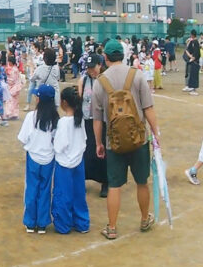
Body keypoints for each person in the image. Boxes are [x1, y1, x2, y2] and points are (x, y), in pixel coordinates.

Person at [92, 39, 161, 240]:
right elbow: (148, 108)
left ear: (105, 58)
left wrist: (99, 143)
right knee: (142, 181)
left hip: (114, 141)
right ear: (123, 55)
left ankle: (112, 227)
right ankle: (144, 219)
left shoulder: (100, 82)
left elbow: (97, 119)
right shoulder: (137, 75)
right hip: (139, 139)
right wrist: (156, 134)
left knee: (114, 185)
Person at [18, 85, 58, 234]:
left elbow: (23, 138)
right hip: (49, 158)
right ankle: (42, 223)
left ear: (39, 99)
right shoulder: (56, 119)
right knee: (45, 190)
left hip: (33, 157)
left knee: (31, 188)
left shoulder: (31, 117)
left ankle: (30, 222)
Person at [51, 86, 90, 234]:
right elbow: (84, 139)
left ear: (64, 102)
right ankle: (82, 223)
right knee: (79, 193)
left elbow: (59, 146)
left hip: (64, 164)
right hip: (78, 161)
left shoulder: (63, 122)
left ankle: (63, 225)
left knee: (63, 195)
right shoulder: (80, 120)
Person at [79, 55, 109, 198]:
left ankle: (105, 182)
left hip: (102, 121)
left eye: (93, 67)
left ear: (100, 65)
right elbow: (80, 100)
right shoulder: (83, 80)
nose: (91, 70)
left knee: (103, 152)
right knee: (86, 151)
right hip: (87, 120)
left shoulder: (106, 80)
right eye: (88, 68)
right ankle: (82, 180)